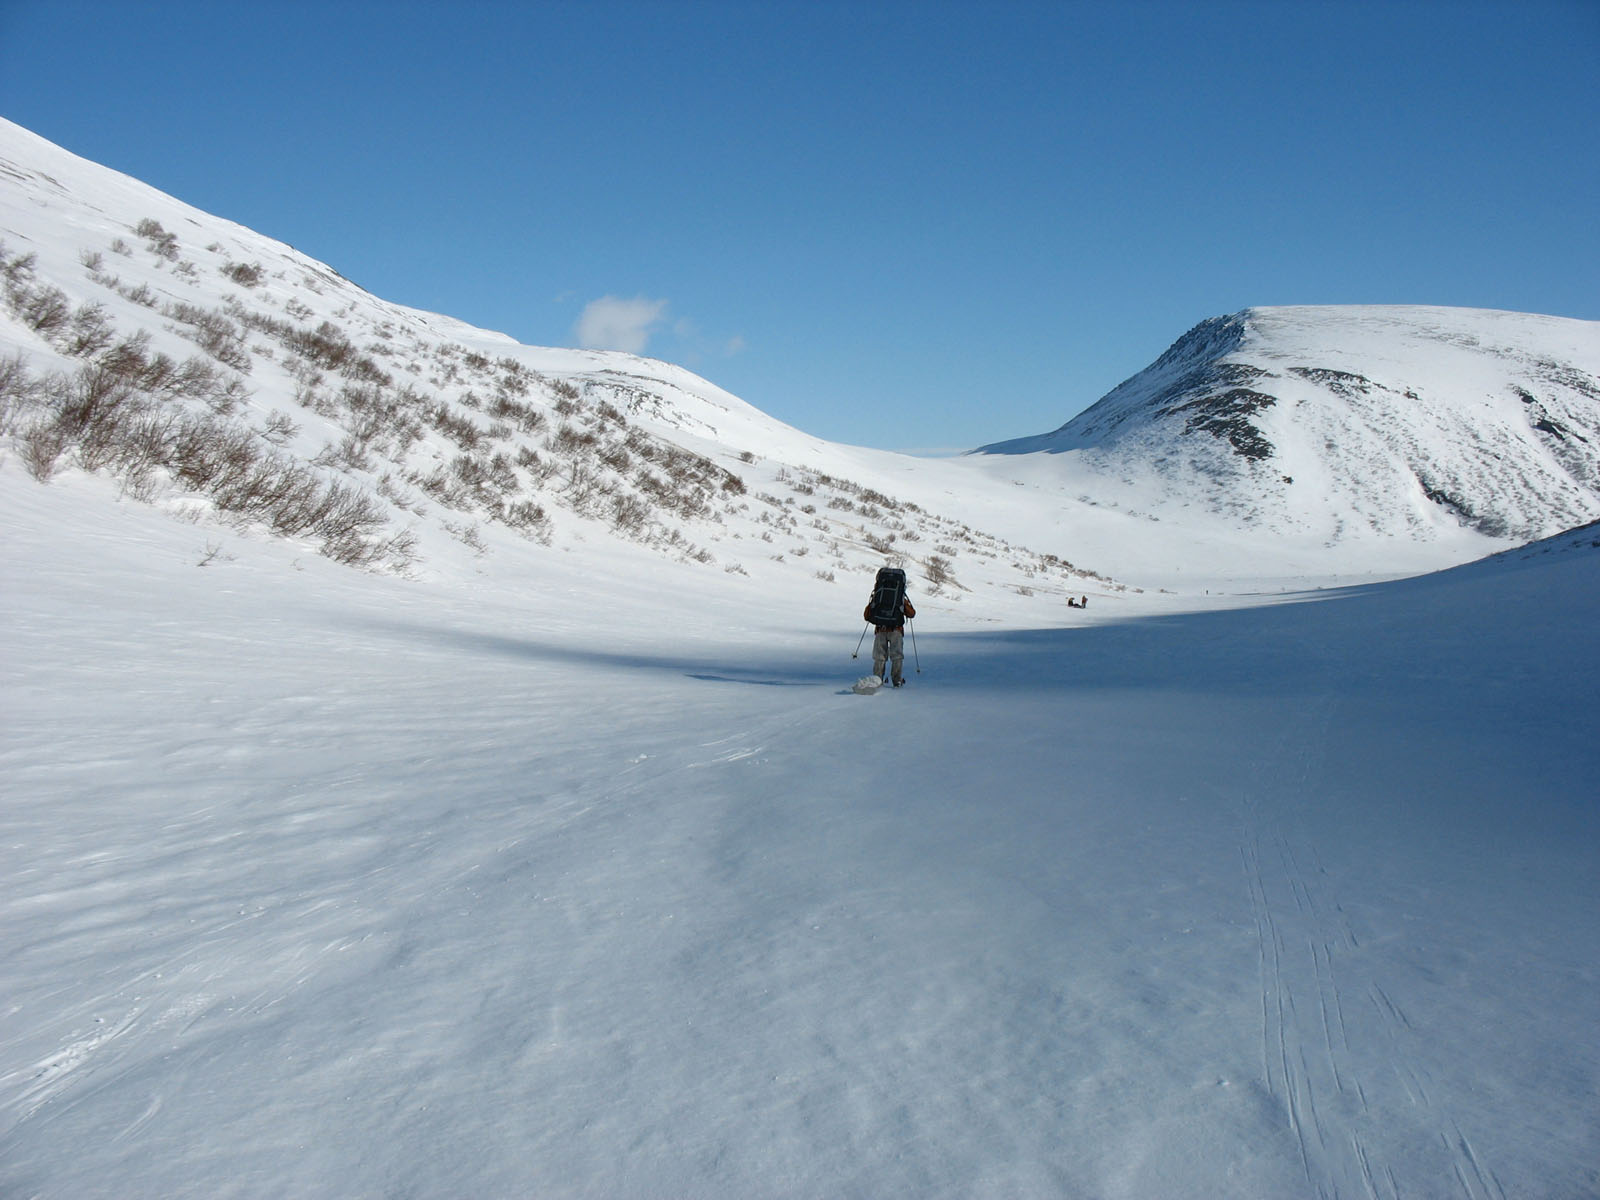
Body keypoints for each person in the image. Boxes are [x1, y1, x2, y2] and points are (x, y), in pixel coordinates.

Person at [863, 588, 915, 686]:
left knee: (879, 657)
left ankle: (877, 681)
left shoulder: (879, 595)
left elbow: (866, 616)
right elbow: (911, 614)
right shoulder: (899, 596)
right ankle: (897, 681)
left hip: (880, 629)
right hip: (896, 630)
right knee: (897, 656)